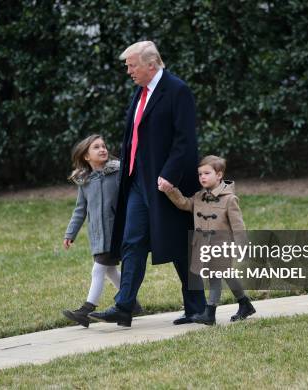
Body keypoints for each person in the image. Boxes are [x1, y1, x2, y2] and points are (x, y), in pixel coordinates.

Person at [89, 41, 206, 327]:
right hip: (138, 181)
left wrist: (170, 175)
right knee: (132, 241)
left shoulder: (177, 90)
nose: (128, 71)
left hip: (167, 182)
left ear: (150, 64)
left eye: (132, 65)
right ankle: (124, 306)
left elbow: (185, 140)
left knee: (180, 243)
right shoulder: (140, 92)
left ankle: (198, 308)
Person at [162, 155, 256, 325]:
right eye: (200, 174)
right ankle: (245, 304)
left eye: (206, 173)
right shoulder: (199, 197)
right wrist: (170, 190)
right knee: (226, 274)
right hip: (204, 245)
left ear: (219, 175)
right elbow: (184, 203)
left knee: (214, 277)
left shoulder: (229, 199)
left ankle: (210, 313)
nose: (202, 177)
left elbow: (238, 226)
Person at [62, 134, 141, 328]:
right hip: (98, 235)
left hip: (117, 232)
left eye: (104, 146)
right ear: (86, 156)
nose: (102, 149)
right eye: (96, 147)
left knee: (99, 269)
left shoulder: (117, 172)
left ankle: (86, 310)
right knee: (110, 270)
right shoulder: (85, 181)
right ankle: (132, 303)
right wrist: (70, 233)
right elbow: (80, 209)